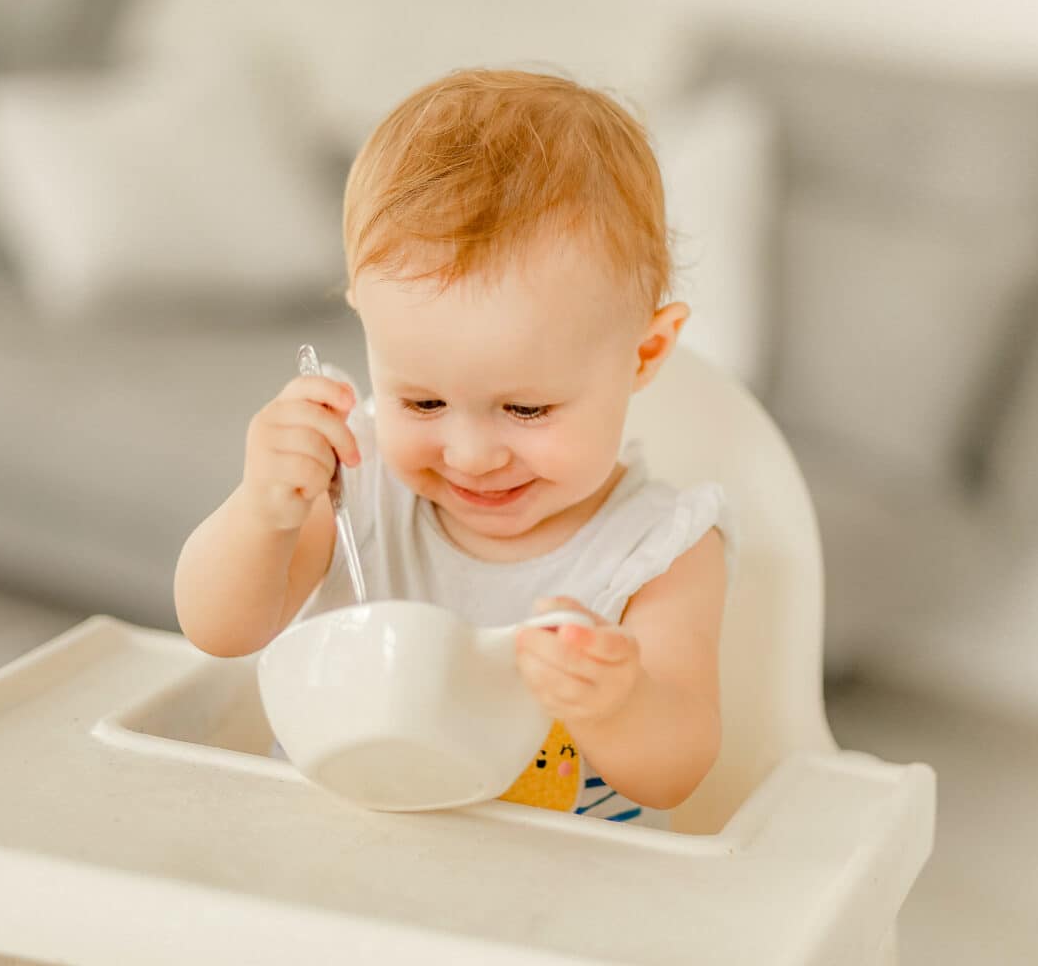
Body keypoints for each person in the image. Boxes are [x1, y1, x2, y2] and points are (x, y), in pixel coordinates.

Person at [175, 67, 729, 827]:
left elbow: (677, 771)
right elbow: (219, 629)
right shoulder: (353, 480)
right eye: (423, 401)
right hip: (328, 862)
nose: (469, 455)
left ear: (645, 353)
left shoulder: (659, 551)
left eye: (527, 408)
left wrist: (620, 702)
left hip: (542, 914)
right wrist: (262, 510)